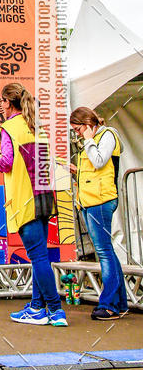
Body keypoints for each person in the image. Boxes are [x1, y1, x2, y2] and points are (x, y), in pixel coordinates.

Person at [0, 82, 67, 326]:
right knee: (41, 255)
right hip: (45, 196)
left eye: (2, 101)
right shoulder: (37, 127)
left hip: (25, 199)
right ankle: (37, 307)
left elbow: (6, 161)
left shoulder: (9, 128)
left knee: (38, 257)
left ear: (7, 102)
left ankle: (56, 310)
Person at [70, 107, 128, 320]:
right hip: (90, 201)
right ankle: (119, 303)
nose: (77, 134)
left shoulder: (107, 135)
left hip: (101, 201)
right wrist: (75, 170)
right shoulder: (95, 138)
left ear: (87, 123)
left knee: (104, 251)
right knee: (106, 251)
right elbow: (96, 170)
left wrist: (87, 139)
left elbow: (100, 160)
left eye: (78, 129)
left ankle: (110, 304)